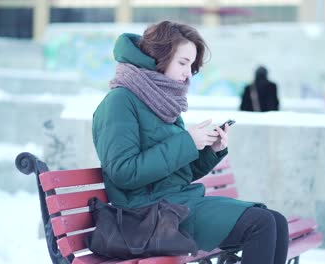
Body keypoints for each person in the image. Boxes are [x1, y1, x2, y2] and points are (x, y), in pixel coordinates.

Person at [92, 21, 288, 264]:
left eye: (191, 66)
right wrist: (186, 143)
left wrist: (210, 151)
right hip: (144, 217)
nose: (188, 73)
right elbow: (123, 172)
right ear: (158, 58)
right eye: (183, 63)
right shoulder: (120, 102)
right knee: (261, 224)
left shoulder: (160, 101)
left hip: (173, 205)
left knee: (276, 220)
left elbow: (177, 173)